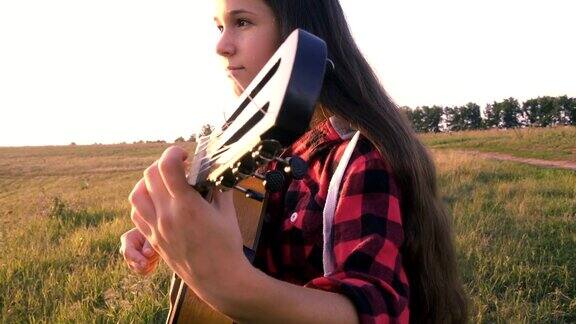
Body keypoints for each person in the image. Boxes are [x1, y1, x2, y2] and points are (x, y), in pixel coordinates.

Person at [119, 0, 468, 323]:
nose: (222, 46)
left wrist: (230, 284)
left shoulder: (358, 159)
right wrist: (173, 226)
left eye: (242, 22)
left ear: (297, 33)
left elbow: (378, 309)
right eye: (219, 27)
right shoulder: (263, 154)